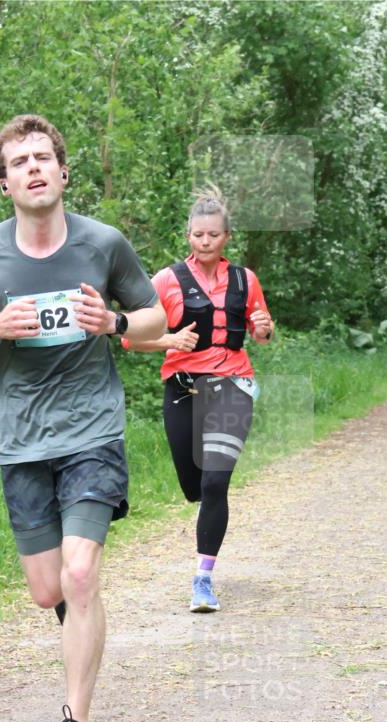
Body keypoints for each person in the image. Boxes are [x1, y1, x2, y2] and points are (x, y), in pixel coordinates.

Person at [0, 114, 165, 722]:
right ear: (5, 182)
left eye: (43, 157)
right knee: (49, 592)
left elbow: (154, 316)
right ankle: (81, 618)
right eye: (20, 162)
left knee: (78, 572)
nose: (34, 168)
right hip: (19, 438)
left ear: (63, 173)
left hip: (91, 428)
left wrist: (115, 321)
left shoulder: (104, 243)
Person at [122, 186, 274, 612]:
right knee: (194, 486)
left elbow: (261, 330)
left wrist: (263, 329)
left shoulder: (245, 279)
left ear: (227, 236)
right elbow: (131, 339)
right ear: (187, 235)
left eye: (212, 235)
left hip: (233, 384)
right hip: (183, 387)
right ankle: (206, 509)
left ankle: (203, 578)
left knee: (214, 481)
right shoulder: (166, 281)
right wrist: (170, 340)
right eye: (197, 235)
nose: (204, 242)